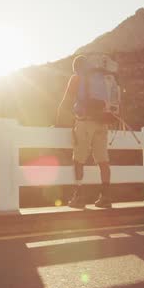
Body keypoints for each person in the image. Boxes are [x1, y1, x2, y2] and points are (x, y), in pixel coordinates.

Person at [55, 55, 112, 209]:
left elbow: (66, 101)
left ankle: (79, 196)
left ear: (76, 68)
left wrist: (58, 122)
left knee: (78, 159)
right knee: (103, 160)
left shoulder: (76, 78)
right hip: (102, 122)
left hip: (85, 122)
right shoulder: (101, 79)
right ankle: (106, 197)